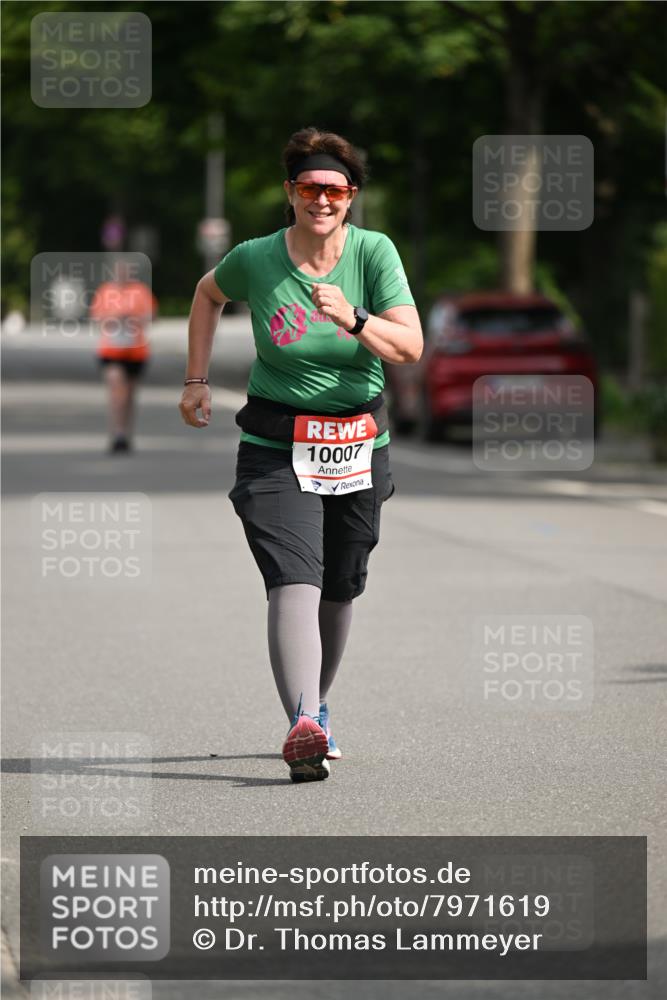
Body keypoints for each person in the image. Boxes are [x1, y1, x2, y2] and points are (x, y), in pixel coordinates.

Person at [180, 126, 422, 782]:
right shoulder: (257, 258)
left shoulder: (373, 253)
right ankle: (303, 724)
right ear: (290, 192)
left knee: (340, 584)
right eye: (310, 188)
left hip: (357, 443)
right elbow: (207, 293)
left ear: (351, 198)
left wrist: (353, 318)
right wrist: (196, 379)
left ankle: (316, 706)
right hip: (276, 444)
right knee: (294, 574)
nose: (322, 200)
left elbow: (409, 348)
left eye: (335, 191)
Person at [90, 259, 157, 453]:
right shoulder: (105, 291)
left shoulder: (140, 291)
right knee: (117, 392)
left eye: (125, 271)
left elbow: (152, 315)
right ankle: (117, 433)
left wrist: (133, 318)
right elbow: (96, 318)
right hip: (111, 351)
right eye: (119, 271)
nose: (122, 275)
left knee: (129, 395)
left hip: (136, 351)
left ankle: (126, 433)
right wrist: (115, 318)